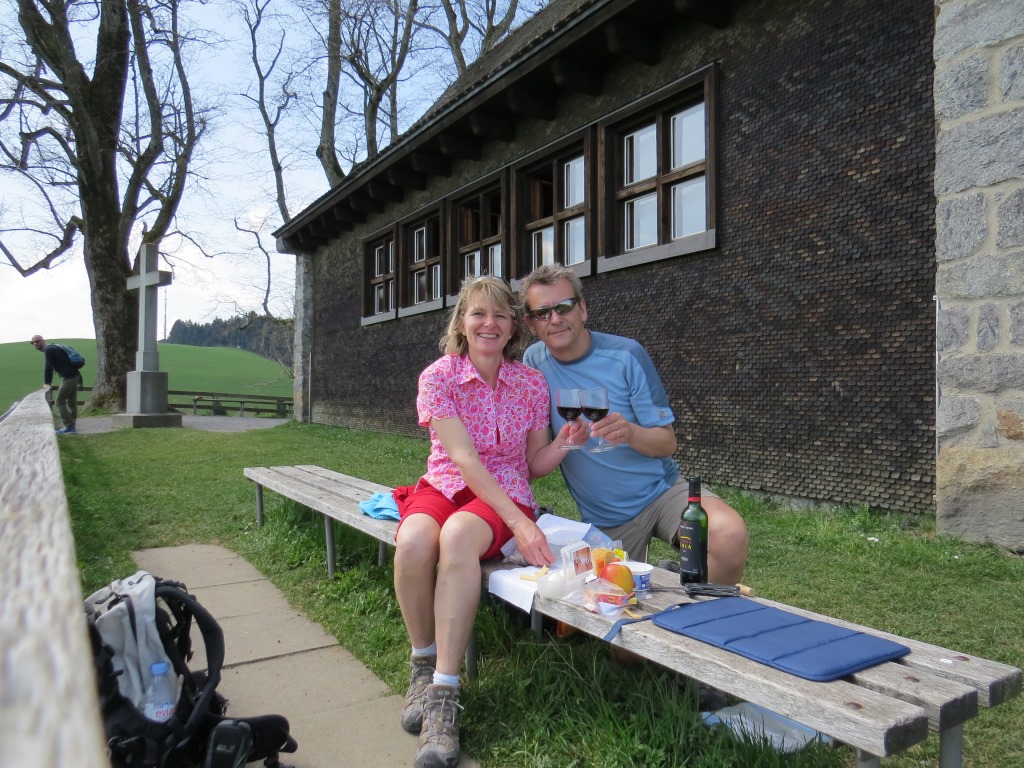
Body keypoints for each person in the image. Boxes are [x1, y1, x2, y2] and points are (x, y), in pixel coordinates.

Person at [392, 275, 585, 768]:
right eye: (478, 313)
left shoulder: (530, 383)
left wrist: (564, 443)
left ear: (514, 327)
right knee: (413, 541)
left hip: (505, 494)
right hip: (446, 482)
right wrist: (522, 527)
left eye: (501, 314)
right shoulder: (438, 377)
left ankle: (444, 695)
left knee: (457, 536)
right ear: (461, 322)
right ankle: (422, 663)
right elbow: (464, 459)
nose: (489, 323)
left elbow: (533, 464)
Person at [520, 265, 750, 585]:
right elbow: (534, 453)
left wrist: (630, 432)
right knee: (603, 604)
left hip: (661, 492)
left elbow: (667, 443)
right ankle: (671, 573)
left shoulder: (627, 355)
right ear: (531, 324)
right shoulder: (533, 364)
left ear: (582, 309)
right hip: (605, 518)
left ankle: (705, 606)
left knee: (728, 534)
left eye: (564, 307)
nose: (555, 319)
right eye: (543, 313)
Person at [31, 335, 83, 434]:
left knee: (59, 402)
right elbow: (50, 365)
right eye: (32, 342)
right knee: (71, 402)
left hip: (70, 378)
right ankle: (72, 426)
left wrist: (46, 382)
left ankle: (69, 426)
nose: (35, 344)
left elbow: (48, 367)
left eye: (37, 341)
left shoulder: (49, 350)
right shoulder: (51, 348)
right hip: (74, 376)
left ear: (43, 341)